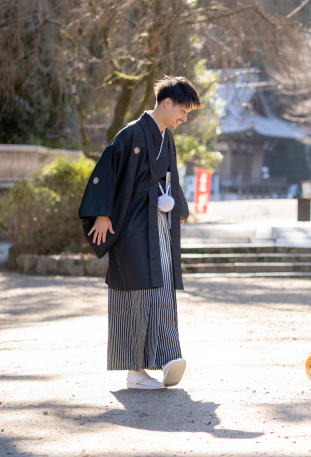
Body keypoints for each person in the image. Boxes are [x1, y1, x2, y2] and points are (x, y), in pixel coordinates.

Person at [78, 76, 198, 390]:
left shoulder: (165, 137)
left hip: (159, 223)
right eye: (183, 111)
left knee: (163, 288)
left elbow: (169, 179)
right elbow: (106, 171)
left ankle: (167, 357)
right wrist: (102, 214)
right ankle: (134, 370)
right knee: (138, 291)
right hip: (131, 225)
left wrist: (179, 210)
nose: (184, 119)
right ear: (167, 102)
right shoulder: (131, 134)